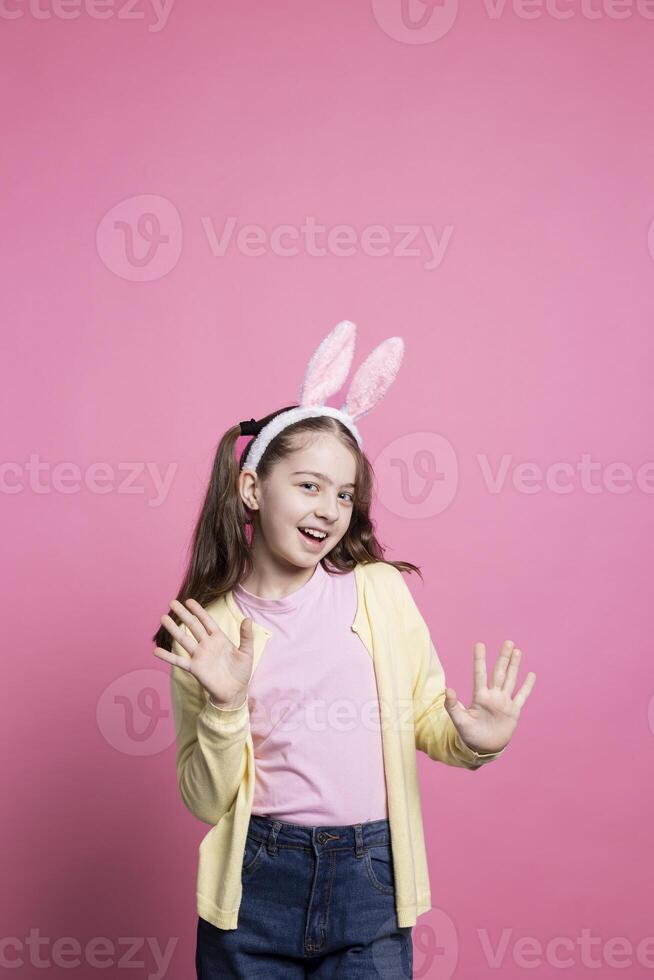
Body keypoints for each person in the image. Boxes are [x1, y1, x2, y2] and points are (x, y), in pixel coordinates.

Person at [152, 320, 536, 978]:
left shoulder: (380, 593)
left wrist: (477, 738)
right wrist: (225, 706)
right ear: (252, 490)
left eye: (344, 493)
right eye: (308, 485)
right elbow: (202, 800)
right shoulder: (203, 631)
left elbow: (426, 718)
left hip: (370, 880)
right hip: (255, 888)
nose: (329, 509)